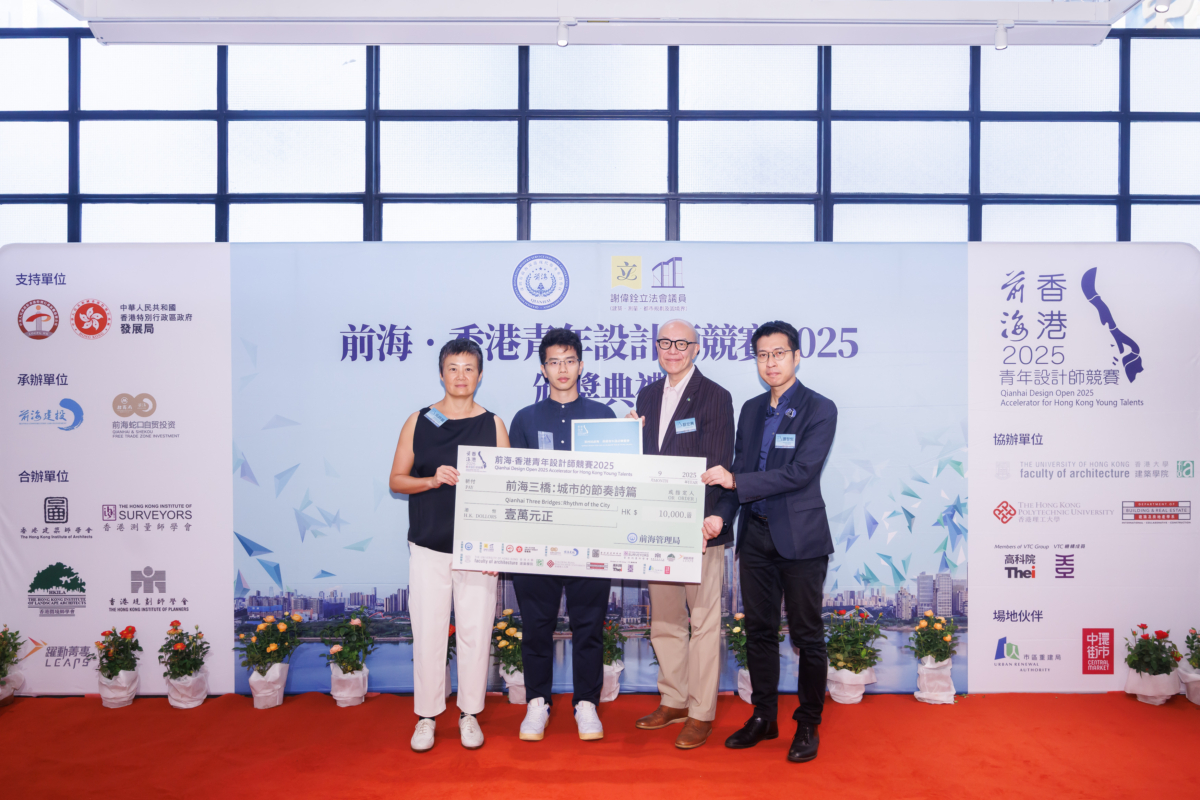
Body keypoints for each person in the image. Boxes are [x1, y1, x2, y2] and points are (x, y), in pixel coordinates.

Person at [702, 320, 837, 764]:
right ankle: (763, 717)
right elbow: (738, 470)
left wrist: (737, 481)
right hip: (755, 535)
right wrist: (721, 516)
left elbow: (801, 472)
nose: (770, 362)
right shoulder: (752, 409)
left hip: (800, 538)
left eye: (779, 353)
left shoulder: (820, 408)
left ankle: (808, 723)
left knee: (807, 635)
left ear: (796, 356)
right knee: (758, 631)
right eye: (762, 355)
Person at [389, 338, 509, 753]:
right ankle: (426, 716)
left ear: (480, 375)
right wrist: (431, 480)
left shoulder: (493, 424)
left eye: (469, 368)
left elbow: (506, 490)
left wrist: (497, 548)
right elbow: (396, 480)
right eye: (453, 368)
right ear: (441, 374)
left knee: (476, 633)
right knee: (428, 633)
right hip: (428, 545)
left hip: (476, 550)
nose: (461, 376)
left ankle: (469, 714)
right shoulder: (418, 420)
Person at [628, 318, 735, 750]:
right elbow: (643, 463)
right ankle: (673, 700)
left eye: (681, 343)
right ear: (656, 347)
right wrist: (627, 439)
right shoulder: (647, 395)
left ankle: (701, 712)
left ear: (696, 348)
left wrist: (712, 520)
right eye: (665, 342)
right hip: (656, 527)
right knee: (665, 619)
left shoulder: (715, 396)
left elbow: (719, 463)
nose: (672, 350)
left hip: (699, 529)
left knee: (703, 622)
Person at [508, 328, 616, 743]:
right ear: (543, 369)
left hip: (592, 540)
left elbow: (620, 477)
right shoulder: (525, 419)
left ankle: (586, 704)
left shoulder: (603, 416)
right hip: (538, 542)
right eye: (554, 362)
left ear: (581, 365)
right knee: (537, 627)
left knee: (589, 627)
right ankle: (537, 702)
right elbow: (513, 481)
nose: (562, 369)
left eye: (569, 360)